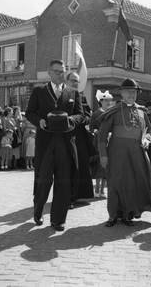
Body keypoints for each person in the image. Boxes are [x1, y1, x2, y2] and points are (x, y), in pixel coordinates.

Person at [25, 59, 85, 231]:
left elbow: (81, 115)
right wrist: (40, 121)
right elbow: (30, 112)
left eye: (62, 71)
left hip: (66, 144)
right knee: (43, 180)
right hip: (46, 143)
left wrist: (72, 120)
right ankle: (38, 212)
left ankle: (58, 219)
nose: (60, 74)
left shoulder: (73, 92)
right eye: (57, 71)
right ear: (49, 72)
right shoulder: (39, 90)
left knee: (63, 181)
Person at [98, 78, 151, 227]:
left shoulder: (142, 111)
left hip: (136, 154)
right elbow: (102, 134)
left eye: (134, 92)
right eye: (128, 91)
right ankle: (113, 216)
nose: (132, 94)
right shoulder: (114, 110)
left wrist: (147, 140)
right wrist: (103, 155)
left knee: (132, 184)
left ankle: (127, 214)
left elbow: (149, 130)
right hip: (116, 154)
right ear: (122, 93)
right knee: (115, 183)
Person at [65, 72, 96, 208]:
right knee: (68, 166)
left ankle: (79, 194)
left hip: (80, 136)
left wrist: (84, 118)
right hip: (66, 135)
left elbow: (88, 116)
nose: (75, 83)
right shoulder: (61, 96)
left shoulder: (82, 97)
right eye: (73, 81)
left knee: (82, 165)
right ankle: (68, 197)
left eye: (77, 81)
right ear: (66, 81)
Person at [90, 89, 113, 198]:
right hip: (98, 142)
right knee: (99, 163)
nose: (108, 103)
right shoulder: (95, 114)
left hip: (109, 141)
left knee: (107, 165)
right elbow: (91, 127)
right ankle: (97, 188)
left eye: (109, 101)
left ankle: (103, 190)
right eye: (105, 101)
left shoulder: (112, 113)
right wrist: (96, 132)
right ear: (101, 102)